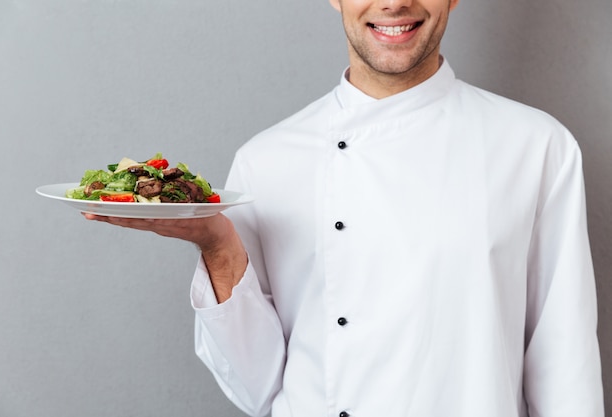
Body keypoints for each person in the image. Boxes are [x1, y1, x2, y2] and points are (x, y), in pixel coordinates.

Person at [86, 0, 605, 415]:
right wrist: (216, 243)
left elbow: (566, 368)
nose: (396, 3)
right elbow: (255, 390)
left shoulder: (536, 147)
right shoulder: (266, 160)